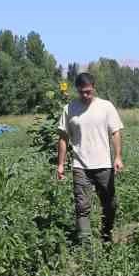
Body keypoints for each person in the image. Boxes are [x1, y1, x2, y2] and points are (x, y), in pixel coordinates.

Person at [55, 72, 124, 244]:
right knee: (82, 207)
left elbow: (115, 132)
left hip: (104, 165)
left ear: (94, 87)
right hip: (80, 166)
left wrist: (118, 157)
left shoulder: (106, 107)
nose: (85, 95)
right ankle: (85, 247)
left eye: (88, 91)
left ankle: (106, 237)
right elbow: (63, 137)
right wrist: (60, 164)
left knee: (110, 204)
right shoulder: (69, 109)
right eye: (81, 92)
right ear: (76, 90)